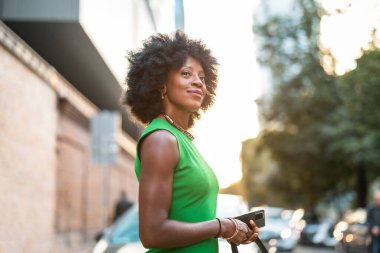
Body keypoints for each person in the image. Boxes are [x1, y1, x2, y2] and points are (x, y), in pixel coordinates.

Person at [121, 31, 259, 252]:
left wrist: (235, 228)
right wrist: (221, 226)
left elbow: (192, 217)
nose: (198, 82)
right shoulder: (161, 139)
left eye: (202, 77)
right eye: (186, 73)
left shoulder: (181, 139)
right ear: (160, 84)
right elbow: (152, 233)